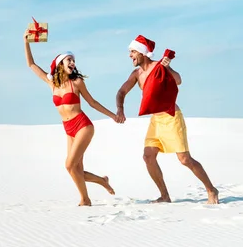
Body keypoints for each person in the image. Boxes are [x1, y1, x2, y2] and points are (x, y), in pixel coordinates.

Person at [115, 35, 219, 204]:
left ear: (142, 53)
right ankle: (165, 195)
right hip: (156, 121)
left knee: (184, 159)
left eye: (133, 51)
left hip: (172, 117)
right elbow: (121, 92)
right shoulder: (136, 74)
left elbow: (178, 80)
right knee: (148, 156)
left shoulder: (160, 66)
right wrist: (120, 108)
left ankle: (211, 189)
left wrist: (168, 68)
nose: (130, 55)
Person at [24, 30, 120, 206]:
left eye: (74, 60)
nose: (73, 62)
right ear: (61, 64)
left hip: (83, 125)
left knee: (69, 165)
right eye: (69, 60)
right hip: (68, 129)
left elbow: (92, 102)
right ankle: (101, 181)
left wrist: (113, 115)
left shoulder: (77, 83)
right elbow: (31, 64)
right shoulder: (51, 82)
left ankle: (85, 199)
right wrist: (26, 41)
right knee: (76, 169)